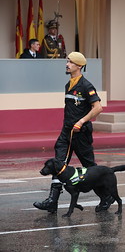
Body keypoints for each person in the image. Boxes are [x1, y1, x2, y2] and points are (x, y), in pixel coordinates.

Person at [33, 52, 110, 213]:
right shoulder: (68, 85)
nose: (67, 64)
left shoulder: (86, 86)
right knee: (57, 163)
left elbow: (98, 108)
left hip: (80, 133)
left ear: (79, 66)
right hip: (66, 131)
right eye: (67, 61)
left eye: (70, 62)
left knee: (90, 168)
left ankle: (106, 197)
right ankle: (52, 201)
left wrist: (81, 121)